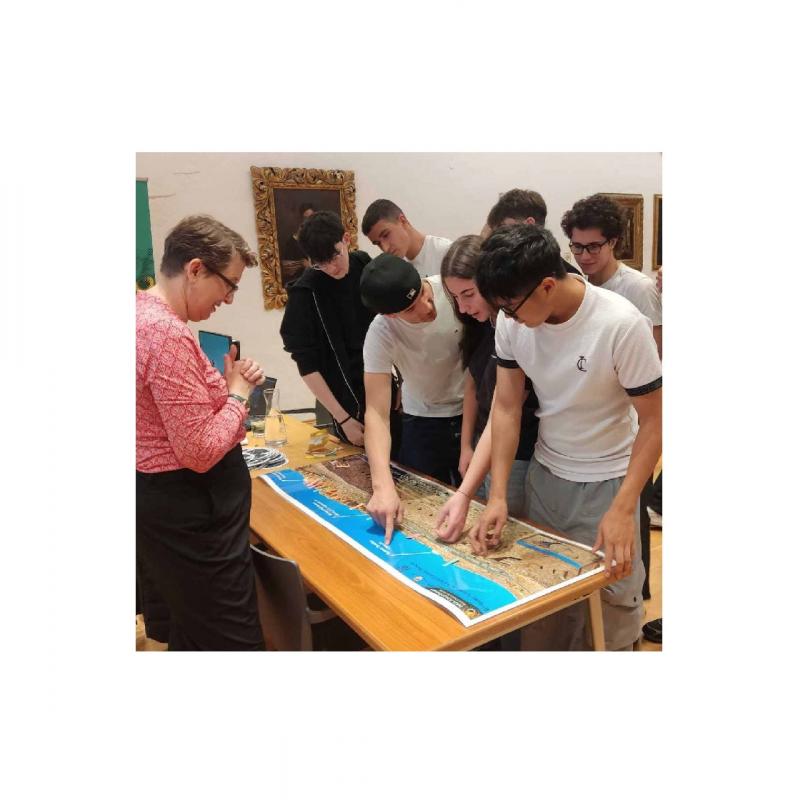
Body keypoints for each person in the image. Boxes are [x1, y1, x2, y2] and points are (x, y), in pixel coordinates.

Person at [472, 224, 662, 650]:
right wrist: (498, 494)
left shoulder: (620, 324)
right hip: (547, 475)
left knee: (611, 616)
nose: (507, 317)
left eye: (511, 307)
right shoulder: (514, 323)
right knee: (546, 609)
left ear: (545, 286)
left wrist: (623, 507)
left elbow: (655, 422)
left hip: (610, 482)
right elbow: (505, 407)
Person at [136, 214, 267, 651]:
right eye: (228, 285)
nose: (228, 299)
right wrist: (238, 395)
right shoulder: (165, 332)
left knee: (190, 629)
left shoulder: (139, 312)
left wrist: (221, 388)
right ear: (195, 269)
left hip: (167, 504)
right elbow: (200, 450)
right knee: (230, 641)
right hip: (192, 509)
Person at [561, 193, 663, 601]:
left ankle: (636, 601)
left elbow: (657, 358)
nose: (584, 256)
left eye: (593, 247)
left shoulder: (637, 290)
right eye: (577, 246)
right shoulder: (576, 284)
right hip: (592, 419)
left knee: (632, 516)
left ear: (614, 243)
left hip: (634, 422)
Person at [433, 235, 539, 542]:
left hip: (516, 451)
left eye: (469, 294)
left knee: (502, 541)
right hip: (485, 445)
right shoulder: (483, 327)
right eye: (456, 299)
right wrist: (467, 446)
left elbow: (504, 411)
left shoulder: (517, 324)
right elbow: (474, 385)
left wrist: (467, 493)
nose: (463, 308)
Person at [360, 254, 465, 543]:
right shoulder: (381, 332)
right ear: (391, 315)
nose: (427, 308)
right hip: (423, 421)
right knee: (423, 519)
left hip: (471, 416)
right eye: (410, 308)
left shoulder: (453, 292)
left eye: (422, 293)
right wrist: (382, 485)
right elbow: (377, 413)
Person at [280, 210, 376, 446]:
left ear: (346, 239)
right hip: (345, 403)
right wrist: (343, 419)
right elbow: (307, 364)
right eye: (321, 263)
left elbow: (393, 324)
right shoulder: (305, 293)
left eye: (335, 256)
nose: (332, 267)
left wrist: (402, 383)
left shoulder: (364, 265)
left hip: (382, 385)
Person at [485, 187, 583, 276]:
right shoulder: (505, 270)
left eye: (503, 228)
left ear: (529, 224)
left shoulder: (570, 278)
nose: (499, 236)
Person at [361, 198, 452, 278]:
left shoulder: (447, 253)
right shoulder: (396, 269)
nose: (385, 248)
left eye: (386, 235)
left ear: (402, 221)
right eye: (378, 243)